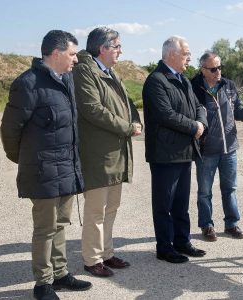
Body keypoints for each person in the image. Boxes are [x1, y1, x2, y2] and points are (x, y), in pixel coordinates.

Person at [0, 30, 92, 300]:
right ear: (56, 53)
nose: (76, 59)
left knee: (61, 224)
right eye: (73, 54)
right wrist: (24, 159)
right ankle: (43, 283)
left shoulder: (67, 80)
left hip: (66, 167)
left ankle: (61, 274)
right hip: (42, 170)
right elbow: (9, 130)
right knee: (45, 229)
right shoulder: (28, 84)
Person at [72, 27, 142, 277]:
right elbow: (92, 109)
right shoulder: (84, 71)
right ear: (102, 48)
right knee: (96, 211)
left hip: (116, 153)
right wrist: (127, 127)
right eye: (117, 46)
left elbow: (128, 103)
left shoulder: (110, 71)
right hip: (98, 155)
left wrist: (136, 120)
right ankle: (92, 259)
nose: (121, 51)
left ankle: (107, 253)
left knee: (111, 208)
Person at [142, 36, 208, 263]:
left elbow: (198, 106)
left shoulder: (183, 80)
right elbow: (165, 114)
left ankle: (182, 240)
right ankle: (165, 247)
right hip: (165, 153)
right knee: (164, 204)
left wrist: (201, 123)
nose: (190, 57)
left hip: (184, 151)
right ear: (171, 54)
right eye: (186, 53)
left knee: (181, 202)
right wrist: (194, 127)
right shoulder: (156, 80)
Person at [191, 52, 243, 242]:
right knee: (204, 192)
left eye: (220, 67)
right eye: (213, 69)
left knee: (230, 188)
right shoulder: (193, 87)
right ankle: (207, 225)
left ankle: (232, 224)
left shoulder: (228, 85)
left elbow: (238, 110)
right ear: (203, 69)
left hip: (229, 148)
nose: (218, 72)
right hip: (206, 150)